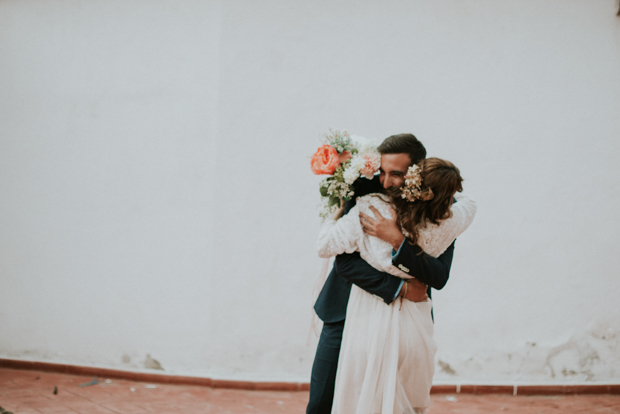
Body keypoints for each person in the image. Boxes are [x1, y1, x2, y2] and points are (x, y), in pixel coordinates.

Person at [307, 134, 456, 414]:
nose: (386, 182)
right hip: (345, 311)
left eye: (396, 175)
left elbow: (439, 275)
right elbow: (345, 264)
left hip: (406, 322)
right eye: (383, 173)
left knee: (396, 402)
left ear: (417, 171)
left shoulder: (439, 207)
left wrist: (399, 240)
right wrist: (398, 288)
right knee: (321, 403)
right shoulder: (364, 194)